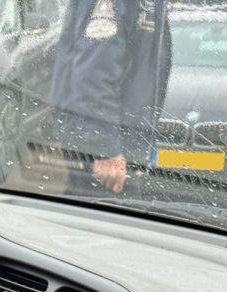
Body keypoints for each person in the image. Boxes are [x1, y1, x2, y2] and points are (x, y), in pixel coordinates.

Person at [49, 0, 171, 195]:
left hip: (120, 136)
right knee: (99, 208)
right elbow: (93, 75)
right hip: (105, 141)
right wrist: (104, 150)